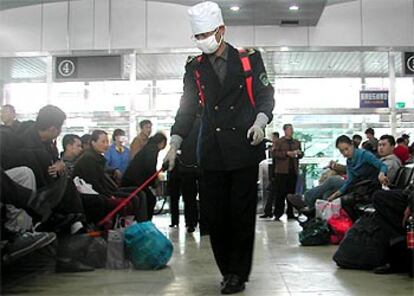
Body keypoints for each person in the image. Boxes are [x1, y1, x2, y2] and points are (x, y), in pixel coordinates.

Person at [163, 2, 275, 293]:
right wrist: (174, 143)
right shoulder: (195, 68)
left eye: (206, 34)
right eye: (197, 36)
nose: (203, 41)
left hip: (243, 147)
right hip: (210, 150)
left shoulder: (249, 59)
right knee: (214, 216)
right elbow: (186, 108)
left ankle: (237, 273)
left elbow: (265, 96)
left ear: (221, 30)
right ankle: (227, 270)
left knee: (240, 214)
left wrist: (261, 123)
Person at [73, 130, 148, 223]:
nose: (106, 145)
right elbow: (95, 184)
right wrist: (110, 196)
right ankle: (135, 226)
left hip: (108, 190)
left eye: (107, 142)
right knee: (134, 198)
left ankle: (142, 225)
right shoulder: (89, 159)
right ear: (93, 143)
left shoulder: (98, 157)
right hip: (96, 196)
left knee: (140, 193)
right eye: (103, 142)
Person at [122, 132, 167, 221]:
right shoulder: (152, 149)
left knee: (148, 198)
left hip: (134, 180)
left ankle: (144, 221)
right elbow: (150, 167)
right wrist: (154, 182)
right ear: (162, 142)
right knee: (149, 199)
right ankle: (145, 222)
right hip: (135, 181)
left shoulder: (149, 147)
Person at [168, 117, 201, 233]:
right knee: (206, 197)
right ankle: (206, 224)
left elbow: (176, 146)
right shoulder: (204, 122)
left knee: (189, 198)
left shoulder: (178, 126)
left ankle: (190, 223)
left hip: (185, 166)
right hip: (203, 165)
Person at [272, 124, 303, 220]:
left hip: (293, 171)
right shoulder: (279, 142)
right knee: (280, 193)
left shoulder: (296, 142)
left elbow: (301, 154)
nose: (291, 131)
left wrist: (299, 153)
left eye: (292, 129)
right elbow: (274, 153)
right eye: (289, 129)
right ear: (285, 130)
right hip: (281, 171)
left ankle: (291, 213)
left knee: (291, 193)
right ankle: (278, 214)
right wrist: (286, 153)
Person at [260, 131, 280, 218]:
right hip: (273, 173)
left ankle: (270, 211)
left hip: (277, 173)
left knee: (273, 193)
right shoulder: (272, 147)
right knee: (272, 193)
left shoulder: (277, 148)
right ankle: (270, 211)